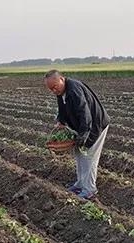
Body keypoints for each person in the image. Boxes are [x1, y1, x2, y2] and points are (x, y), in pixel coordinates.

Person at [43, 70, 110, 201]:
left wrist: (84, 136)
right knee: (79, 155)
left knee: (89, 157)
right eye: (50, 89)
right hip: (82, 126)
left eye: (55, 86)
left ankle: (89, 189)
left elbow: (85, 114)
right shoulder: (61, 91)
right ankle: (80, 184)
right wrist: (60, 121)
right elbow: (62, 107)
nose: (54, 90)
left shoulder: (74, 90)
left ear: (62, 79)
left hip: (95, 126)